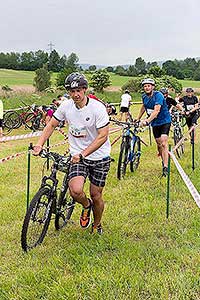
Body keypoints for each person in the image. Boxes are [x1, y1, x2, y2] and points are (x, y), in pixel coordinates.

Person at [33, 72, 111, 235]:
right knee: (75, 190)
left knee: (96, 195)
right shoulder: (66, 106)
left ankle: (97, 225)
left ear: (85, 90)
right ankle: (86, 205)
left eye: (79, 90)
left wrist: (84, 153)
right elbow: (51, 125)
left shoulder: (97, 108)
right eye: (72, 91)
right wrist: (39, 144)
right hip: (77, 157)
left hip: (99, 157)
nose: (75, 94)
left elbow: (103, 136)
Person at [136, 78, 171, 177]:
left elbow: (156, 111)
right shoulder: (144, 96)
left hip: (164, 121)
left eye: (149, 86)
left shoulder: (158, 95)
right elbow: (144, 107)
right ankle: (163, 158)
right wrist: (138, 118)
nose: (147, 88)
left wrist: (147, 121)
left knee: (164, 142)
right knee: (159, 144)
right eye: (145, 86)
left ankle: (165, 167)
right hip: (155, 123)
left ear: (153, 87)